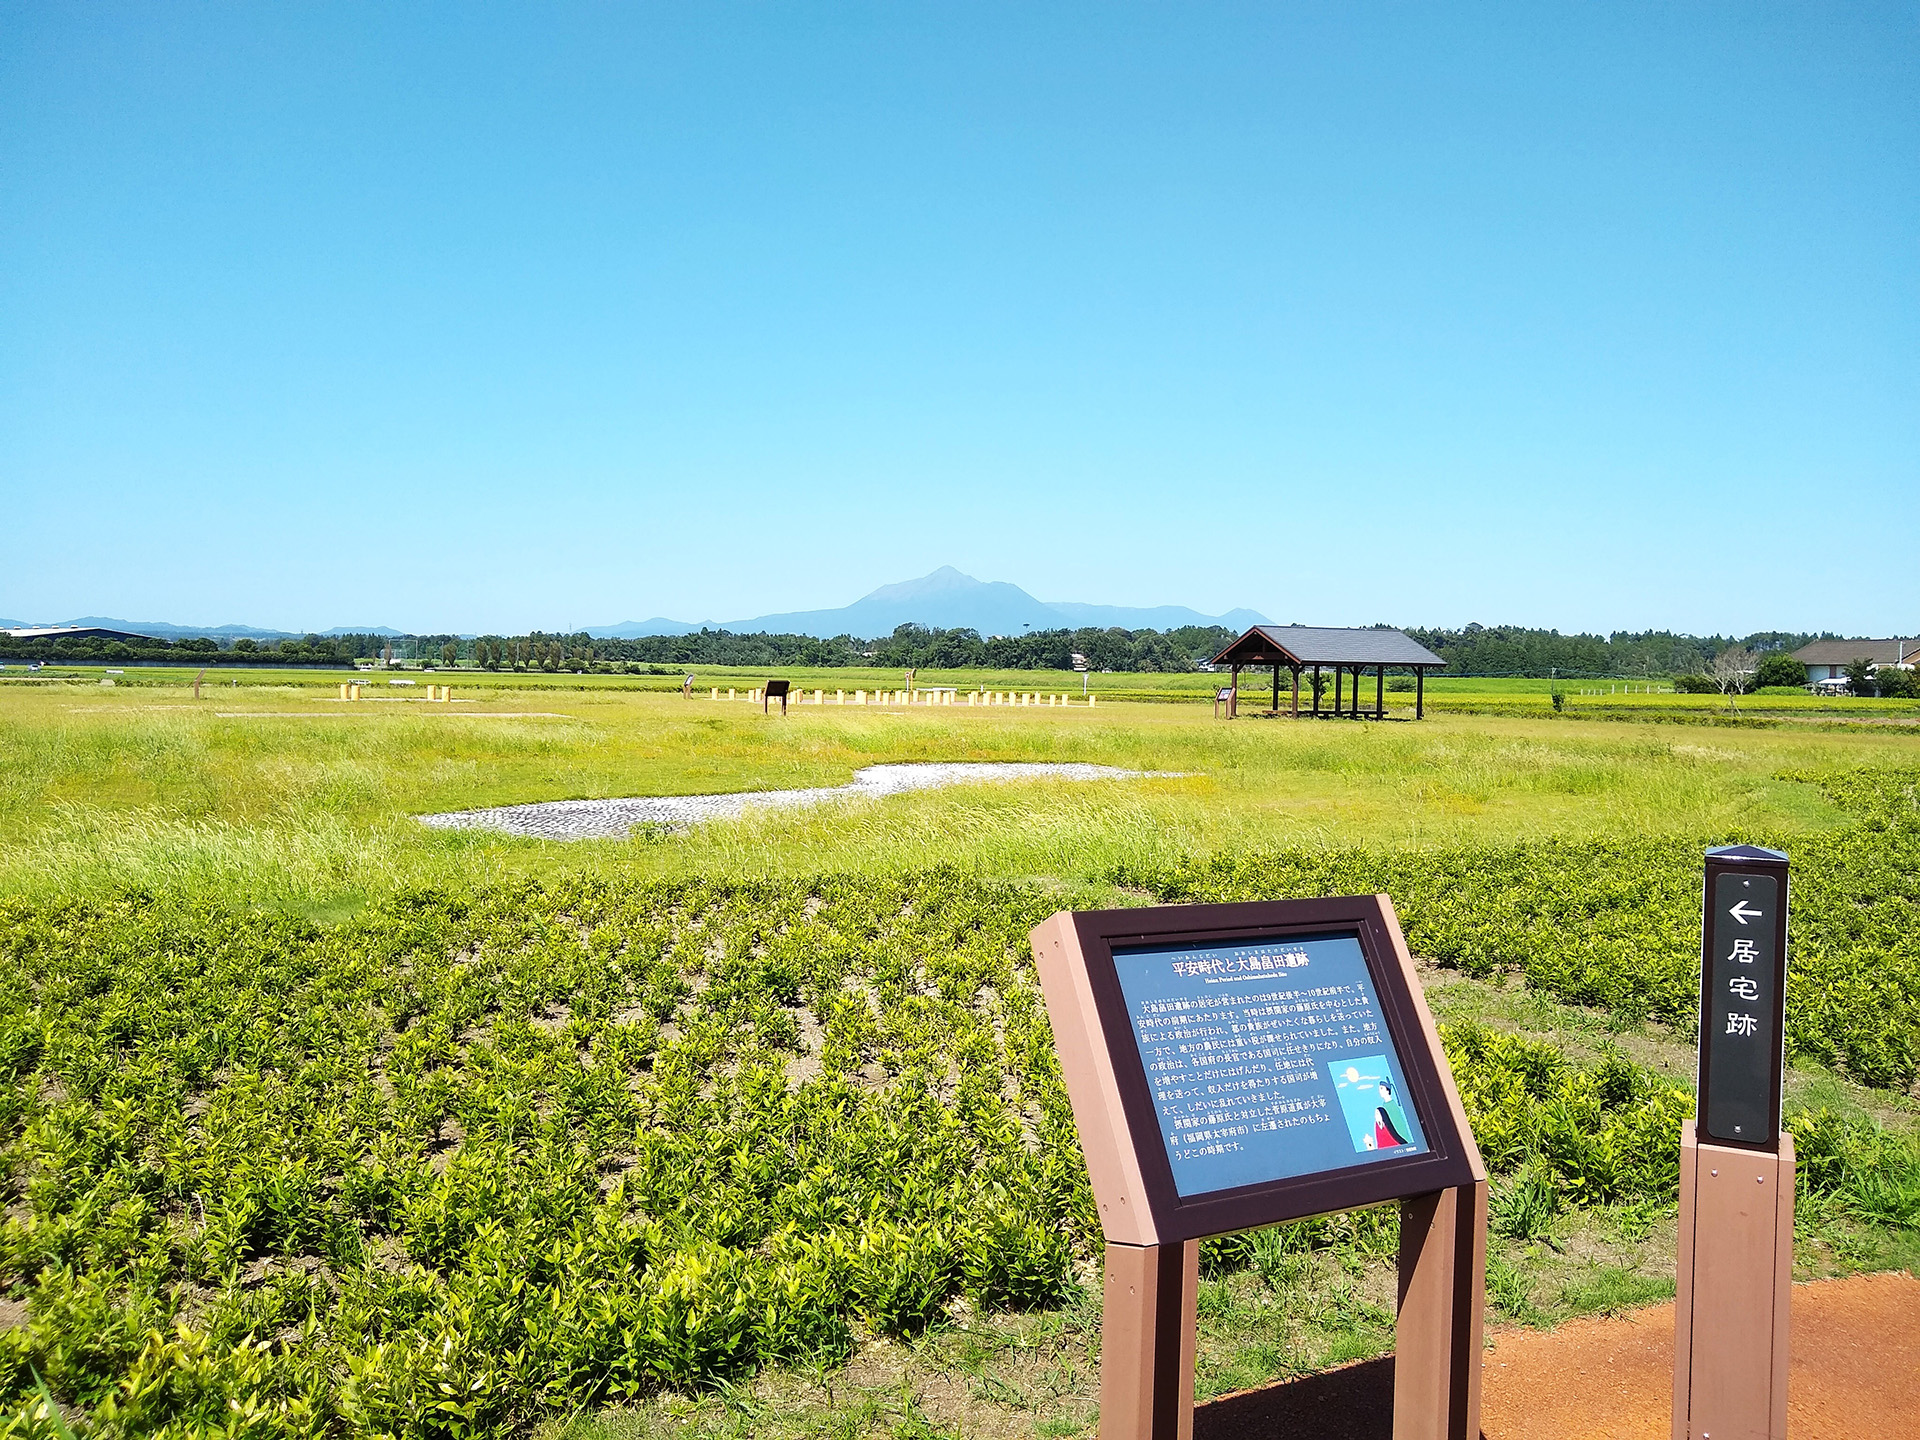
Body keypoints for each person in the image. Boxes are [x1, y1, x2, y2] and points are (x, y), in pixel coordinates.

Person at [1373, 1080, 1412, 1149]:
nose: (1380, 1091)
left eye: (1381, 1088)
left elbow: (1398, 1124)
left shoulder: (1392, 1106)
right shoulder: (1384, 1105)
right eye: (1379, 1089)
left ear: (1387, 1091)